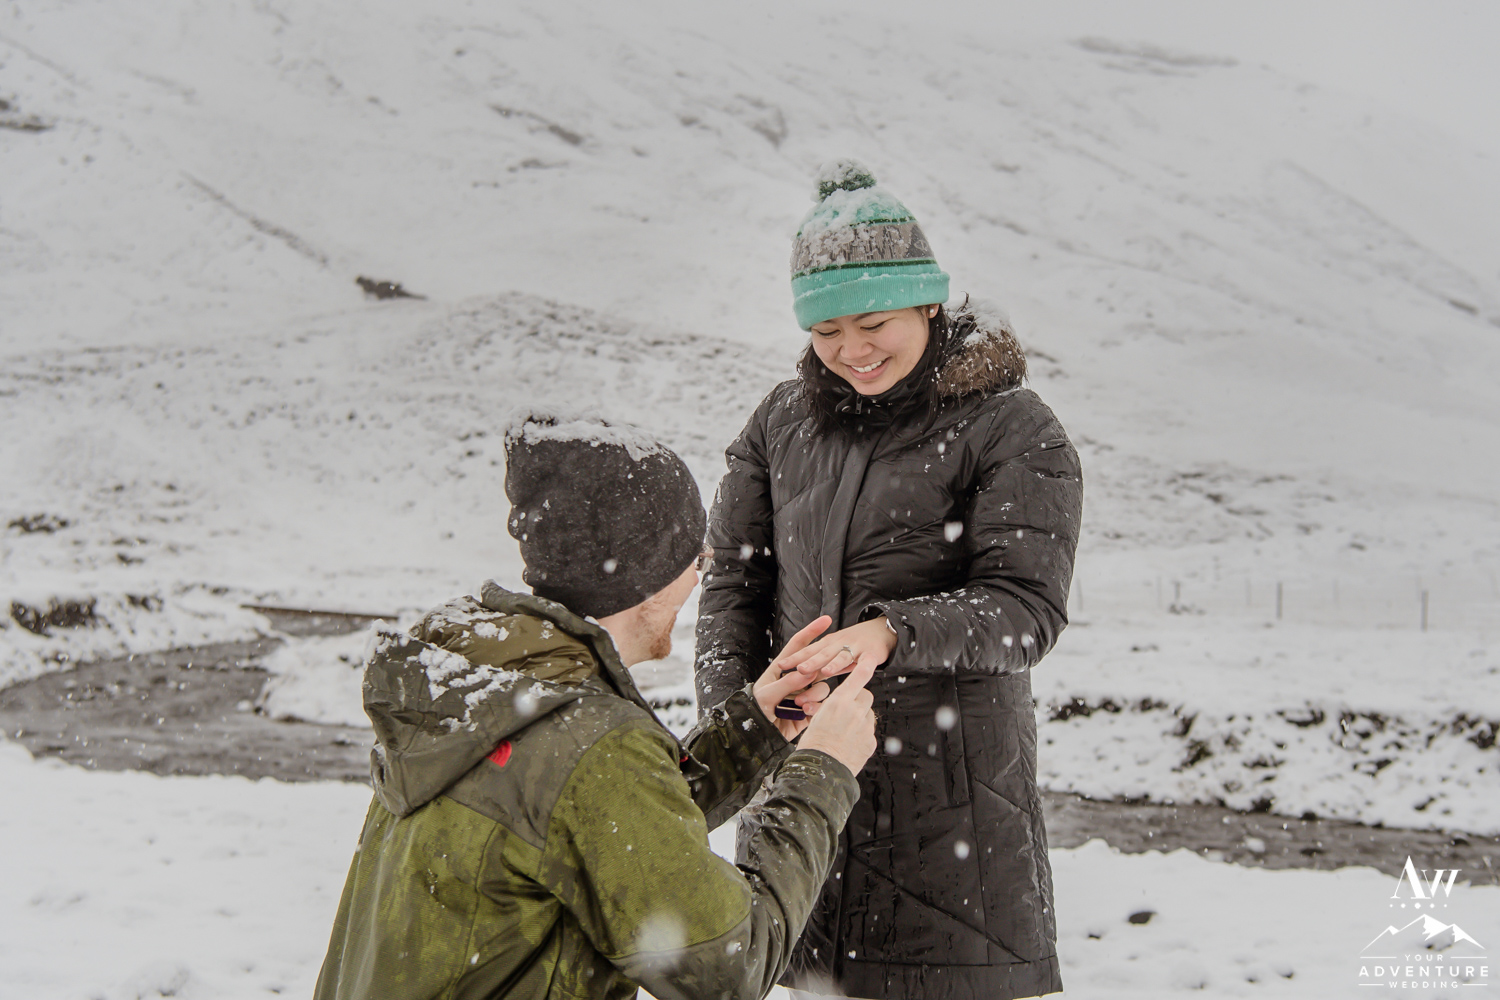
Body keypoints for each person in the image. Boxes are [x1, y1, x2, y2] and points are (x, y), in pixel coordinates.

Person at [314, 410, 881, 1000]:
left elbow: (595, 831)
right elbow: (730, 965)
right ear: (650, 575)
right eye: (695, 558)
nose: (698, 579)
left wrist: (755, 728)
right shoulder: (591, 743)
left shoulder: (493, 684)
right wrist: (823, 770)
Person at [695, 161, 1083, 1000]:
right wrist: (741, 721)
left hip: (951, 810)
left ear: (928, 303)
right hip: (802, 794)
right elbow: (732, 584)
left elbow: (1026, 611)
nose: (852, 352)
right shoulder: (780, 423)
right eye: (826, 332)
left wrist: (890, 633)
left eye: (873, 322)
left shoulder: (1011, 427)